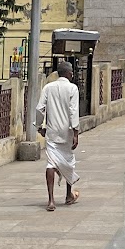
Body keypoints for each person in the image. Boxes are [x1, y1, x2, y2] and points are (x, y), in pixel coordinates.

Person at [36, 60, 81, 212]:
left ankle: (51, 200)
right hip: (66, 132)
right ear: (68, 74)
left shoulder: (48, 87)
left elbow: (40, 108)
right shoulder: (72, 88)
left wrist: (39, 126)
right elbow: (73, 111)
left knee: (51, 163)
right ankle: (68, 195)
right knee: (68, 161)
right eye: (72, 73)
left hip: (52, 131)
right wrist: (75, 133)